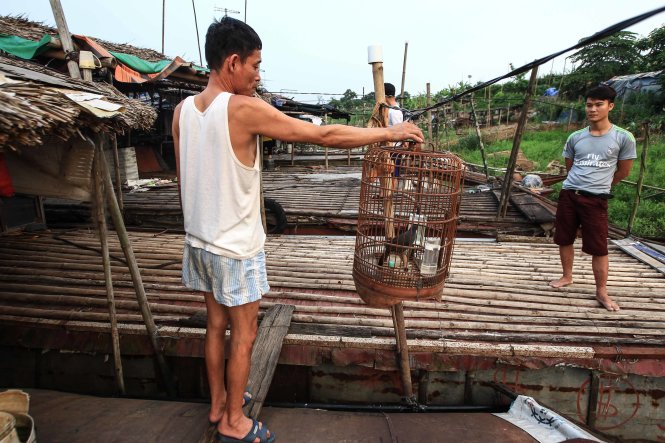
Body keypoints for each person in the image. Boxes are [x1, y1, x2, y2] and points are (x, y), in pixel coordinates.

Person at [172, 17, 423, 443]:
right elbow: (322, 134)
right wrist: (391, 132)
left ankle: (219, 405)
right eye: (255, 65)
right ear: (232, 62)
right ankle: (234, 420)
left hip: (199, 242)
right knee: (245, 334)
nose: (257, 74)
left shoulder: (182, 112)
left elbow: (185, 181)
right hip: (235, 247)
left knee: (216, 327)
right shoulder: (242, 108)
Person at [549, 84, 636, 312]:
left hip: (596, 199)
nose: (592, 109)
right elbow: (570, 167)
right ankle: (567, 276)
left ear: (610, 106)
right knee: (564, 238)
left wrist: (600, 185)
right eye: (589, 105)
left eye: (598, 105)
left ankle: (601, 291)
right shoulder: (576, 137)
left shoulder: (623, 137)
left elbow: (624, 171)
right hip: (569, 194)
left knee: (599, 247)